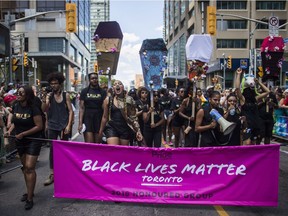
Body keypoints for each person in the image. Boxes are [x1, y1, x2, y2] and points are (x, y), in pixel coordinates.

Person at [5, 86, 43, 210]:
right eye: (17, 92)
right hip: (20, 140)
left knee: (30, 168)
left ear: (27, 95)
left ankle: (30, 198)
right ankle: (29, 191)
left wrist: (24, 134)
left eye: (21, 93)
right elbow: (15, 121)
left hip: (33, 140)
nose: (18, 94)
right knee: (25, 168)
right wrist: (9, 131)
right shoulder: (16, 106)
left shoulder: (33, 108)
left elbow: (39, 126)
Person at [42, 72, 74, 186]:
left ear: (60, 84)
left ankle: (66, 171)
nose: (54, 85)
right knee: (52, 149)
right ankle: (52, 174)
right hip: (52, 125)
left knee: (65, 148)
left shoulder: (66, 95)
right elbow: (44, 110)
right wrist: (43, 99)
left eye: (56, 83)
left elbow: (71, 111)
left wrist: (69, 125)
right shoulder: (49, 96)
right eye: (52, 84)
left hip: (64, 125)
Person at [99, 80, 143, 146]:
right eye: (115, 84)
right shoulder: (108, 100)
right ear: (113, 88)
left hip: (125, 128)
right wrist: (100, 131)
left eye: (119, 84)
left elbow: (133, 117)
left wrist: (138, 131)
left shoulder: (129, 100)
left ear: (122, 87)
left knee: (122, 152)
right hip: (112, 128)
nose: (117, 85)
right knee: (114, 150)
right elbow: (104, 117)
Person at [78, 72, 106, 143]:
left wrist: (105, 123)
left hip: (98, 119)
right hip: (87, 119)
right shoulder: (84, 91)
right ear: (89, 80)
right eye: (92, 78)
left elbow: (105, 109)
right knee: (89, 144)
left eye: (96, 78)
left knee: (97, 145)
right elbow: (81, 108)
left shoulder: (102, 92)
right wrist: (80, 123)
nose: (94, 80)